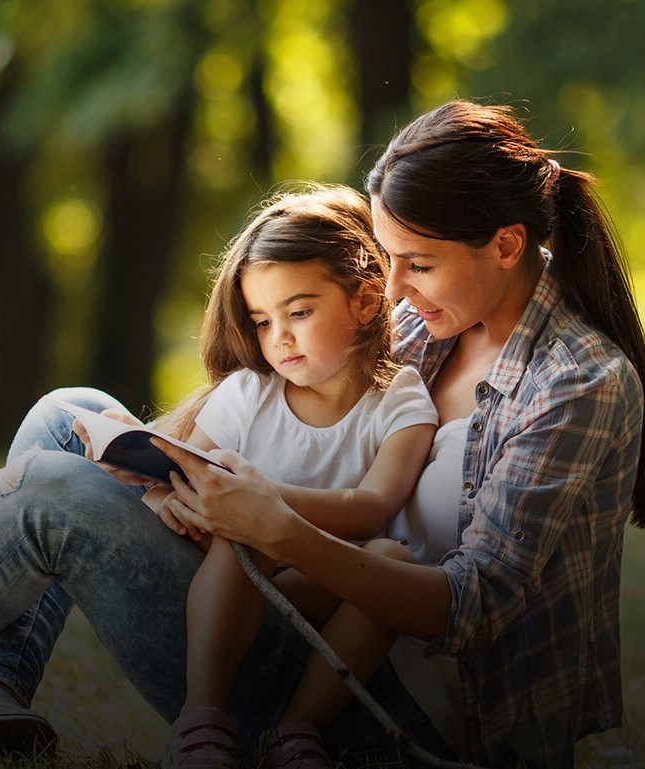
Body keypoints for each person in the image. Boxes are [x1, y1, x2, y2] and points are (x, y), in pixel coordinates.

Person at [0, 98, 645, 769]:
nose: (391, 288)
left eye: (416, 263)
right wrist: (176, 456)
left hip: (384, 718)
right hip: (296, 602)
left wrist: (269, 523)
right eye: (386, 261)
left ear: (503, 244)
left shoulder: (575, 386)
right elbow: (288, 409)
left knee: (46, 491)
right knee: (65, 414)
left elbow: (472, 608)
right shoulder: (429, 322)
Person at [144, 185, 436, 769]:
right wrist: (164, 500)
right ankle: (203, 721)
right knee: (241, 532)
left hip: (329, 593)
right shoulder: (251, 393)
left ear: (366, 302)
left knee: (394, 561)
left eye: (299, 312)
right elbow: (185, 470)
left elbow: (375, 505)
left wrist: (267, 500)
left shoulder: (398, 399)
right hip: (233, 595)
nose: (279, 337)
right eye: (261, 320)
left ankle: (297, 731)